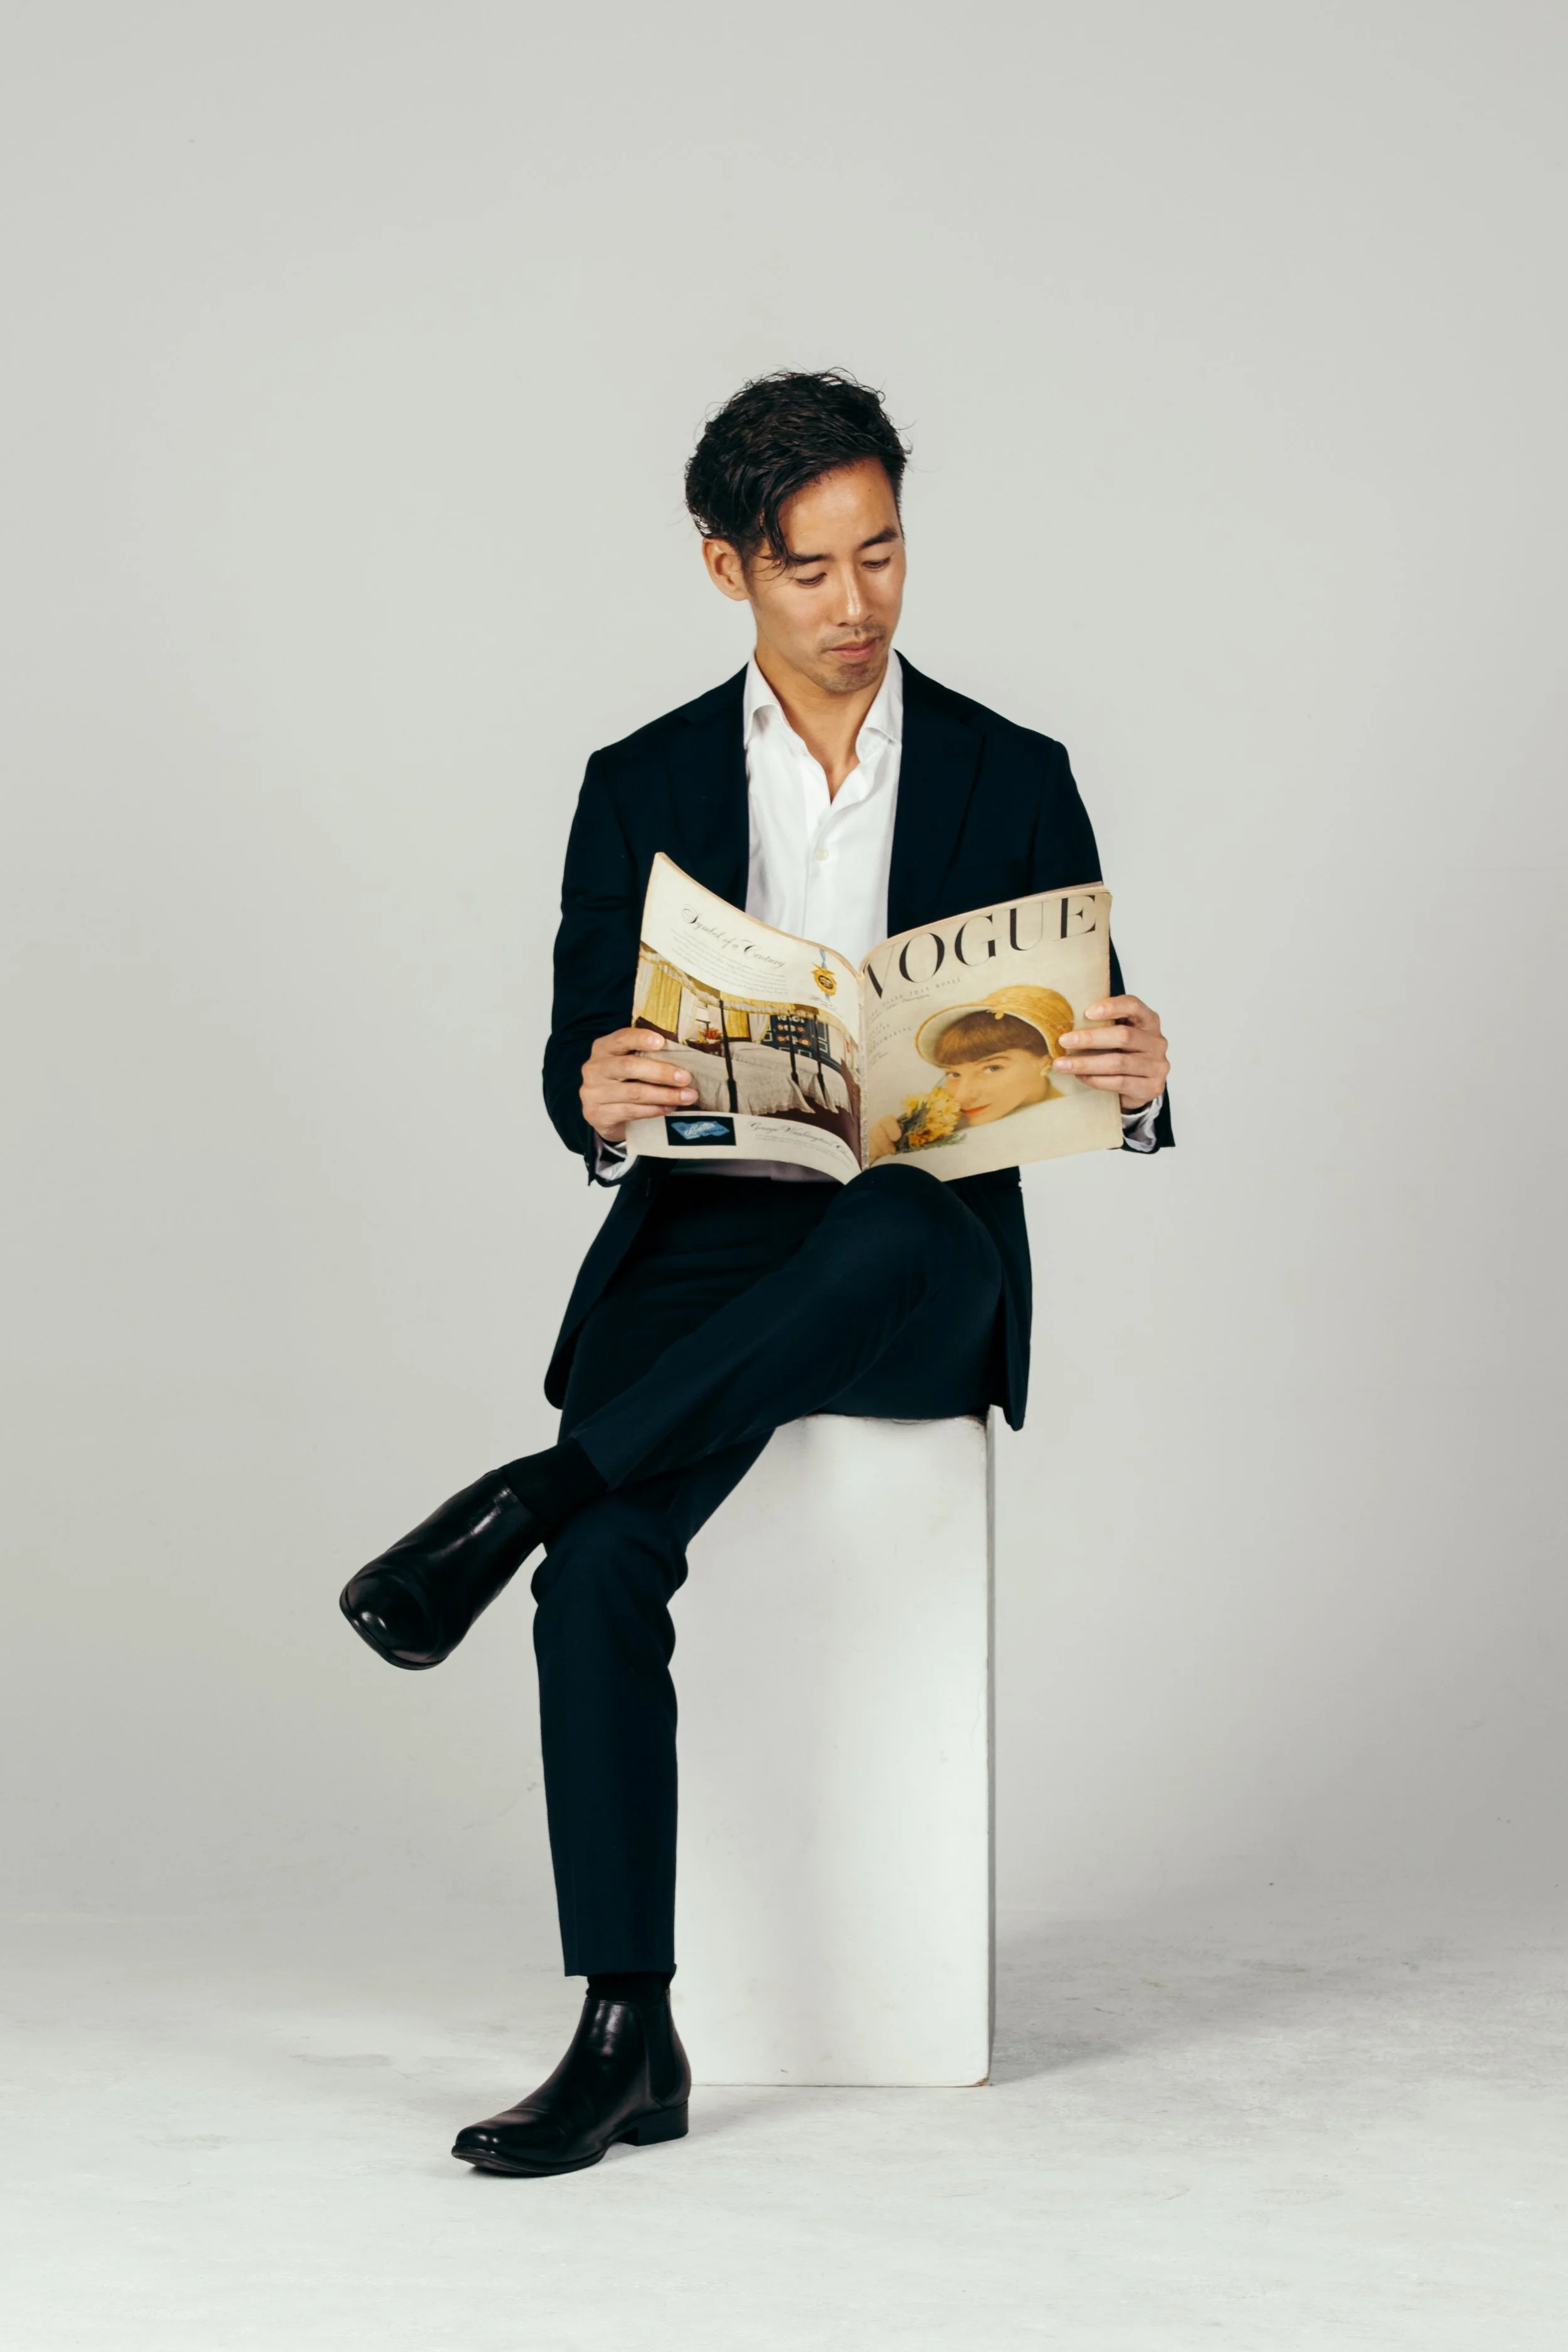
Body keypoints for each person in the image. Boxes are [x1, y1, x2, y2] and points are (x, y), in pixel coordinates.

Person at [338, 371, 1173, 2177]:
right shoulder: (632, 783)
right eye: (811, 569)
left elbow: (1091, 1035)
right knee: (596, 1578)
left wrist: (1137, 1073)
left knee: (882, 1220)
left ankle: (518, 1491)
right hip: (708, 1244)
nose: (857, 605)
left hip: (920, 1258)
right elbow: (578, 1048)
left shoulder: (1012, 773)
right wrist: (596, 1081)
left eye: (883, 556)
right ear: (727, 568)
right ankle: (626, 2030)